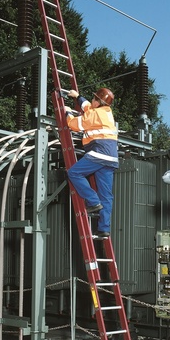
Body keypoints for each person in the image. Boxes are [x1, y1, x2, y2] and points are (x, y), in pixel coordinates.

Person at [64, 87, 118, 237]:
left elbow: (74, 124)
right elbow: (88, 107)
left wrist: (67, 112)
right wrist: (78, 97)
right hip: (111, 157)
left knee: (74, 173)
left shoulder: (94, 115)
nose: (92, 100)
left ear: (98, 102)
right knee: (106, 195)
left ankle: (93, 201)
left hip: (99, 153)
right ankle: (104, 229)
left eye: (94, 98)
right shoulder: (105, 112)